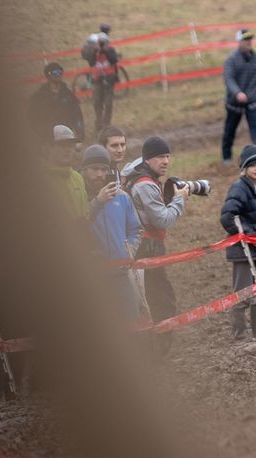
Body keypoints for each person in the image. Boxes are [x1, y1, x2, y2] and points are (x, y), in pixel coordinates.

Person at [126, 136, 189, 350]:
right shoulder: (145, 184)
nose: (166, 161)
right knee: (161, 300)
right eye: (161, 157)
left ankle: (156, 347)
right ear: (148, 159)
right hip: (146, 249)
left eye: (168, 156)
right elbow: (162, 219)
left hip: (145, 248)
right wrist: (179, 199)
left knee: (153, 299)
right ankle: (159, 349)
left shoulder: (145, 177)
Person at [220, 146, 256, 340]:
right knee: (242, 291)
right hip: (243, 250)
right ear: (244, 167)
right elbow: (228, 216)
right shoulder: (239, 188)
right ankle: (239, 332)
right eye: (252, 165)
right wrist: (247, 235)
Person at [80, 144, 141, 313]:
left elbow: (136, 229)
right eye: (94, 169)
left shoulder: (122, 197)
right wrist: (97, 202)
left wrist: (128, 252)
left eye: (103, 169)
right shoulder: (79, 197)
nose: (99, 174)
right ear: (84, 170)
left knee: (133, 325)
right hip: (92, 277)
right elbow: (75, 226)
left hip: (121, 275)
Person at [221, 29, 256, 162]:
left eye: (250, 39)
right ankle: (226, 156)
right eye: (245, 39)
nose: (248, 42)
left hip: (254, 101)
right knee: (230, 130)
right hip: (234, 103)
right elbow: (228, 79)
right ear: (239, 42)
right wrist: (237, 93)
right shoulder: (231, 60)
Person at [29, 61, 84, 143]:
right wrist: (37, 134)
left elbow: (77, 115)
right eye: (55, 73)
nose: (58, 75)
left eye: (60, 72)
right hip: (46, 138)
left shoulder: (68, 95)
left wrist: (80, 132)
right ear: (48, 75)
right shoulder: (39, 96)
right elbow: (32, 117)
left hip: (66, 136)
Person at [47, 125, 89, 222]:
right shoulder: (41, 179)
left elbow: (86, 213)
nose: (67, 149)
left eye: (70, 145)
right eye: (62, 145)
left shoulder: (78, 178)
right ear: (49, 147)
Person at [83, 30, 120, 133]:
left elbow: (114, 60)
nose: (101, 44)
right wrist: (94, 51)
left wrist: (105, 50)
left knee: (108, 103)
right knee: (97, 103)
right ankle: (98, 124)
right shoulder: (95, 51)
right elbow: (91, 63)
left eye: (103, 42)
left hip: (109, 80)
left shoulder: (111, 50)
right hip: (97, 80)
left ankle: (106, 124)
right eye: (100, 42)